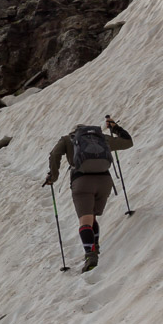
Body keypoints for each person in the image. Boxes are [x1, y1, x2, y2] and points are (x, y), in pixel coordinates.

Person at [43, 116, 133, 272]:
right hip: (105, 181)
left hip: (82, 182)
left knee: (85, 220)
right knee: (92, 217)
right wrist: (115, 128)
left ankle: (91, 255)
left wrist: (53, 176)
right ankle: (94, 247)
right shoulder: (101, 139)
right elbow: (128, 142)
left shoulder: (67, 140)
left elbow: (54, 154)